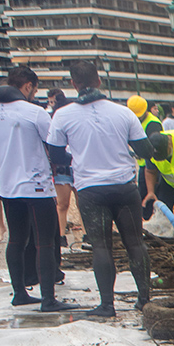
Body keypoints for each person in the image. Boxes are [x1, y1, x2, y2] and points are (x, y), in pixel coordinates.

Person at [47, 61, 153, 317]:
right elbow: (145, 151)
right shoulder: (123, 113)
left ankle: (107, 305)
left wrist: (78, 157)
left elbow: (55, 155)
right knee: (135, 243)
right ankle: (144, 299)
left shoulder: (62, 115)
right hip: (124, 186)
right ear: (99, 81)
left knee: (101, 247)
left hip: (90, 189)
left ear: (73, 84)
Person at [0, 66, 74, 311]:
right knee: (45, 241)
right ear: (27, 87)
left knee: (16, 240)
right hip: (37, 186)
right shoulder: (34, 112)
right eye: (34, 90)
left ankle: (19, 293)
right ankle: (48, 299)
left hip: (8, 186)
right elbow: (55, 148)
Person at [46, 89, 76, 245]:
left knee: (64, 203)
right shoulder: (52, 118)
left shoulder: (62, 116)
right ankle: (61, 235)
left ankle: (65, 235)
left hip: (70, 163)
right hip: (64, 164)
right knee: (63, 203)